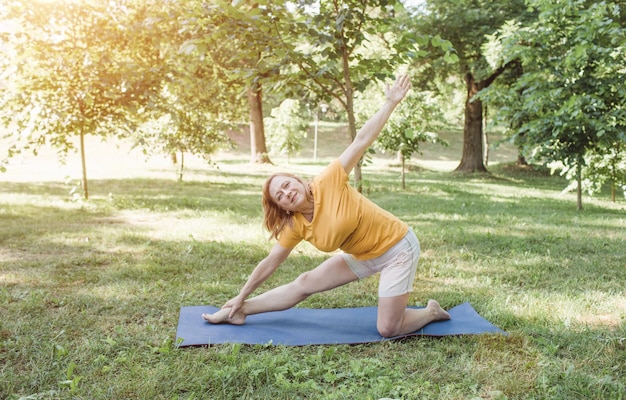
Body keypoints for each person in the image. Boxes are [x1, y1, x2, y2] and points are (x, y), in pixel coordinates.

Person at [202, 74, 450, 337]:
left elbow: (361, 141)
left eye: (287, 185)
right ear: (283, 207)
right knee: (304, 283)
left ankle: (431, 312)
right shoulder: (296, 224)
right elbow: (270, 262)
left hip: (397, 247)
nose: (287, 193)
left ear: (298, 181)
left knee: (388, 329)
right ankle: (238, 312)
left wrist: (390, 103)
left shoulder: (328, 181)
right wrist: (241, 296)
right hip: (362, 256)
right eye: (280, 195)